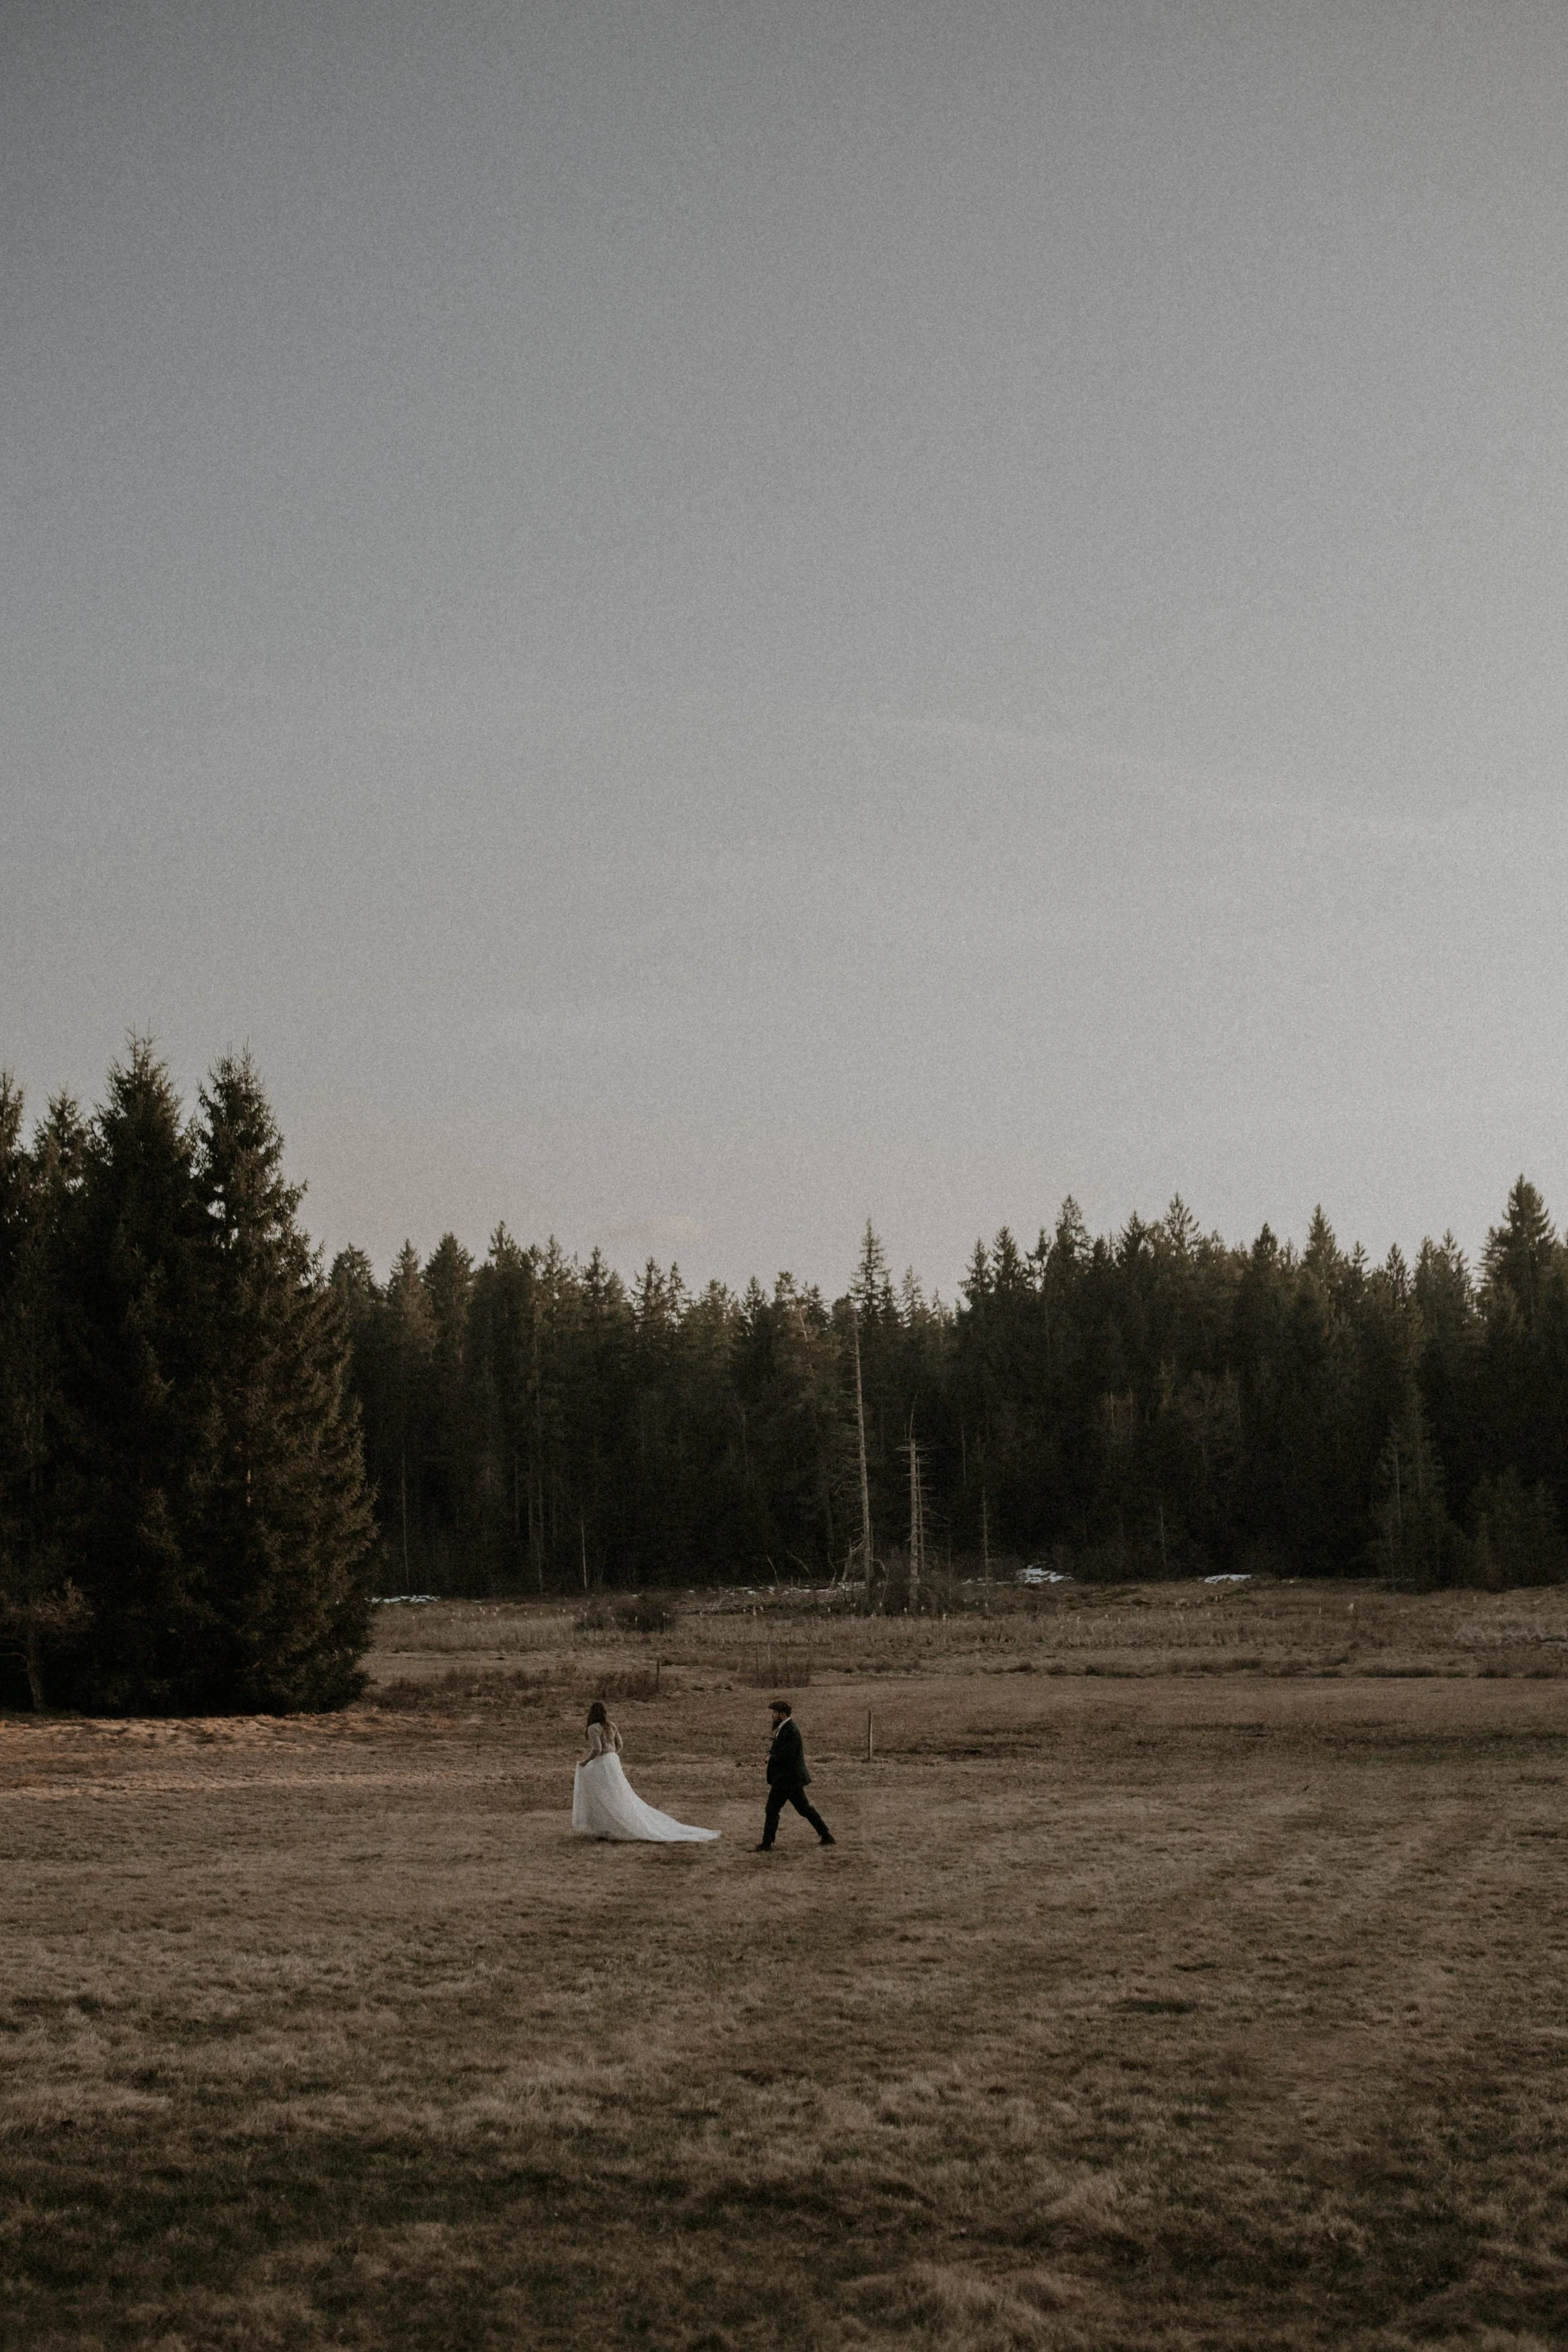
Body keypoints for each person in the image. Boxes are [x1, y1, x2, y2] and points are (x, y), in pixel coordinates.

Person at [571, 1699, 719, 1843]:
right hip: (613, 1761)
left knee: (604, 1795)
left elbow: (597, 1749)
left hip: (603, 1763)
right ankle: (611, 1825)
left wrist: (585, 1762)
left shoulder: (593, 1728)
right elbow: (620, 1745)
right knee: (617, 1793)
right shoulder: (611, 1726)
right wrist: (613, 1756)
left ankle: (607, 1826)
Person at [754, 1698, 834, 1851]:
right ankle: (826, 1836)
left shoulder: (791, 1730)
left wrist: (772, 1757)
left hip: (787, 1779)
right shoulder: (785, 1728)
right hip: (789, 1779)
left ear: (782, 1715)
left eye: (774, 1713)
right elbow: (780, 1749)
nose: (772, 1716)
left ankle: (767, 1844)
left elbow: (788, 1755)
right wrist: (770, 1753)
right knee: (803, 1809)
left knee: (773, 1810)